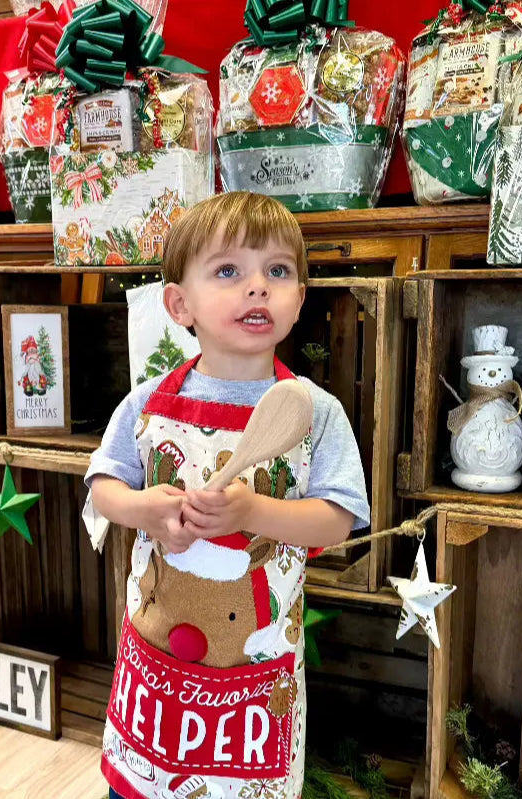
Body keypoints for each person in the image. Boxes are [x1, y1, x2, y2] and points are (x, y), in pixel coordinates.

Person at [85, 192, 370, 799]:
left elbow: (337, 522)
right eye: (228, 271)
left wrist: (253, 512)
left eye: (278, 271)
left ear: (299, 297)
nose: (257, 288)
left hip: (255, 682)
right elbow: (103, 487)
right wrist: (148, 511)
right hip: (157, 671)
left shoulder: (316, 413)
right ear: (179, 304)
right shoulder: (146, 403)